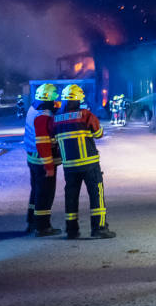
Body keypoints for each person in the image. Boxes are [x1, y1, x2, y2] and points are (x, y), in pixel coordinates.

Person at [48, 84, 114, 239]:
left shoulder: (55, 119)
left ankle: (72, 230)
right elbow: (99, 133)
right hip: (89, 164)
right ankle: (99, 229)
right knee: (96, 195)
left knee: (71, 197)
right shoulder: (85, 115)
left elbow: (52, 141)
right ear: (78, 100)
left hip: (69, 167)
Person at [24, 83, 62, 236]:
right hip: (43, 160)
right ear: (47, 100)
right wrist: (49, 166)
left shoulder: (33, 109)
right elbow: (44, 142)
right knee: (45, 193)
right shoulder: (43, 116)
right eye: (53, 99)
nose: (55, 102)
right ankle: (43, 227)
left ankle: (32, 222)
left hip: (32, 158)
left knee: (36, 192)